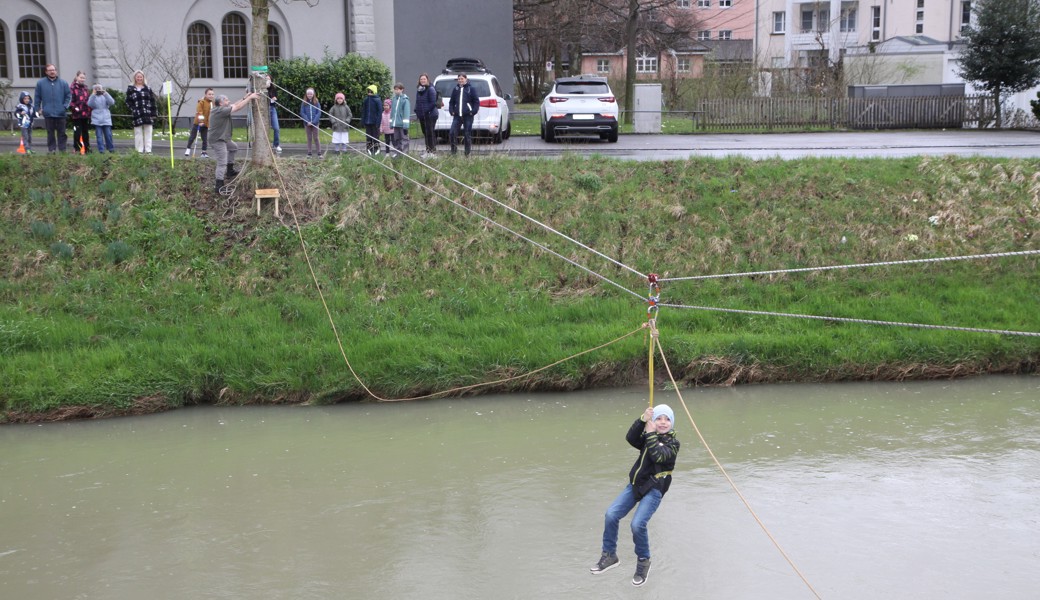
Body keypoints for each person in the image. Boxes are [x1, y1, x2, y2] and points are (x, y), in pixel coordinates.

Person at [590, 404, 679, 587]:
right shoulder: (648, 435)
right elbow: (631, 438)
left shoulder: (673, 444)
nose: (662, 422)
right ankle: (609, 555)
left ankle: (643, 561)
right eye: (659, 418)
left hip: (654, 489)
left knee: (637, 524)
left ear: (672, 423)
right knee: (611, 514)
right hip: (635, 485)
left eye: (667, 419)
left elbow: (658, 457)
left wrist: (650, 433)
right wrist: (642, 420)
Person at [210, 92, 260, 194]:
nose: (229, 101)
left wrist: (244, 97)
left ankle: (230, 171)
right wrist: (250, 98)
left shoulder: (221, 108)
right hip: (217, 140)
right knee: (221, 162)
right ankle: (218, 185)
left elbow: (235, 105)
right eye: (227, 100)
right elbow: (237, 108)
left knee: (233, 148)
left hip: (223, 138)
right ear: (221, 103)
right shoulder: (220, 111)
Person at [33, 64, 71, 153]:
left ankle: (62, 150)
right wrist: (37, 109)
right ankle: (52, 150)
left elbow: (68, 96)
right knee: (50, 133)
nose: (52, 71)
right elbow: (37, 97)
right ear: (46, 72)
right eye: (50, 70)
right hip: (48, 112)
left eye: (54, 70)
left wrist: (65, 106)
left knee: (62, 133)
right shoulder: (40, 83)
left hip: (61, 113)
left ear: (56, 71)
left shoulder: (63, 83)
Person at [125, 70, 158, 154]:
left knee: (148, 132)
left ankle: (148, 150)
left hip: (148, 112)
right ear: (135, 78)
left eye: (141, 77)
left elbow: (152, 101)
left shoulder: (148, 88)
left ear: (143, 78)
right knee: (138, 132)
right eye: (137, 77)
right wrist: (133, 109)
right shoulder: (130, 88)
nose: (139, 78)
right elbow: (128, 101)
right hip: (137, 113)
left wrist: (154, 113)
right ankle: (139, 150)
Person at [448, 73, 479, 156]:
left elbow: (476, 102)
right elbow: (451, 102)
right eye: (459, 79)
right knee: (452, 133)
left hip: (467, 116)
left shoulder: (471, 89)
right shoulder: (456, 89)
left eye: (462, 79)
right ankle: (453, 152)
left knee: (467, 134)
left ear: (466, 79)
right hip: (457, 116)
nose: (460, 80)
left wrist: (473, 111)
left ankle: (467, 153)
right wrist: (451, 111)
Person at [184, 88, 214, 158]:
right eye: (209, 94)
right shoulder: (201, 102)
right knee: (192, 137)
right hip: (198, 123)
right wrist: (201, 121)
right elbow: (200, 112)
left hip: (206, 124)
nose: (211, 96)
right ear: (206, 95)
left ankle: (204, 152)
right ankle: (188, 149)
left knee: (205, 138)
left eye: (212, 94)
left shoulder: (212, 103)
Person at [87, 84, 116, 154]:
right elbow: (89, 104)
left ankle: (110, 148)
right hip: (97, 120)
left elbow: (112, 102)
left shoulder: (104, 96)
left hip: (106, 119)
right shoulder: (93, 97)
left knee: (108, 135)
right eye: (96, 89)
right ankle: (101, 150)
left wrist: (106, 94)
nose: (98, 90)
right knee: (99, 136)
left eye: (99, 88)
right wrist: (93, 95)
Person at [414, 73, 438, 157]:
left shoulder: (431, 89)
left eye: (424, 79)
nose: (422, 80)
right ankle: (428, 151)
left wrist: (426, 111)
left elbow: (433, 103)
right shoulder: (419, 90)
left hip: (430, 115)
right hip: (422, 115)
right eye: (421, 79)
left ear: (427, 80)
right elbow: (417, 101)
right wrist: (416, 110)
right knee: (425, 133)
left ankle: (432, 152)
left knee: (430, 133)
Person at [69, 71, 92, 154]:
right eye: (81, 77)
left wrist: (89, 110)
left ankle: (87, 148)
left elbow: (88, 99)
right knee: (77, 132)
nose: (82, 79)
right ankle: (77, 148)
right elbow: (70, 100)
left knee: (85, 132)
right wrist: (75, 108)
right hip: (77, 114)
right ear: (77, 77)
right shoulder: (72, 87)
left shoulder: (85, 87)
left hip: (86, 113)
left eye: (84, 78)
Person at [389, 82, 411, 158]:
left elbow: (406, 113)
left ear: (402, 90)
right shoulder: (394, 99)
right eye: (395, 89)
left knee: (404, 139)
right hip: (396, 124)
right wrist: (391, 123)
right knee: (396, 139)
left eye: (398, 89)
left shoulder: (405, 100)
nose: (396, 91)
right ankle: (398, 153)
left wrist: (406, 126)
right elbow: (392, 113)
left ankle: (405, 154)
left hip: (402, 124)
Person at [360, 84, 382, 156]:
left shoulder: (377, 100)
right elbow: (364, 111)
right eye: (368, 91)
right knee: (368, 136)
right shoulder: (366, 100)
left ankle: (376, 148)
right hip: (367, 122)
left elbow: (379, 112)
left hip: (375, 122)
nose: (369, 93)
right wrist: (363, 120)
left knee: (375, 136)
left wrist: (378, 122)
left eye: (371, 91)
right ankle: (369, 148)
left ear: (374, 92)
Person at [301, 87, 322, 158]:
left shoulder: (316, 102)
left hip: (315, 123)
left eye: (311, 94)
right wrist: (307, 121)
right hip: (307, 124)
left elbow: (318, 112)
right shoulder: (304, 103)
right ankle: (309, 152)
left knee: (316, 138)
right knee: (309, 138)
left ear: (313, 94)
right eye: (308, 94)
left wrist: (313, 122)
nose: (309, 95)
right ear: (306, 94)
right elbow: (302, 113)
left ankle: (319, 152)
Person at [267, 75, 281, 153]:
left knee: (276, 128)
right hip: (265, 110)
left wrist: (274, 100)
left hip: (272, 109)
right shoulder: (262, 89)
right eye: (266, 79)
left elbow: (275, 98)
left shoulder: (273, 89)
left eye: (269, 79)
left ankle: (276, 144)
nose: (268, 81)